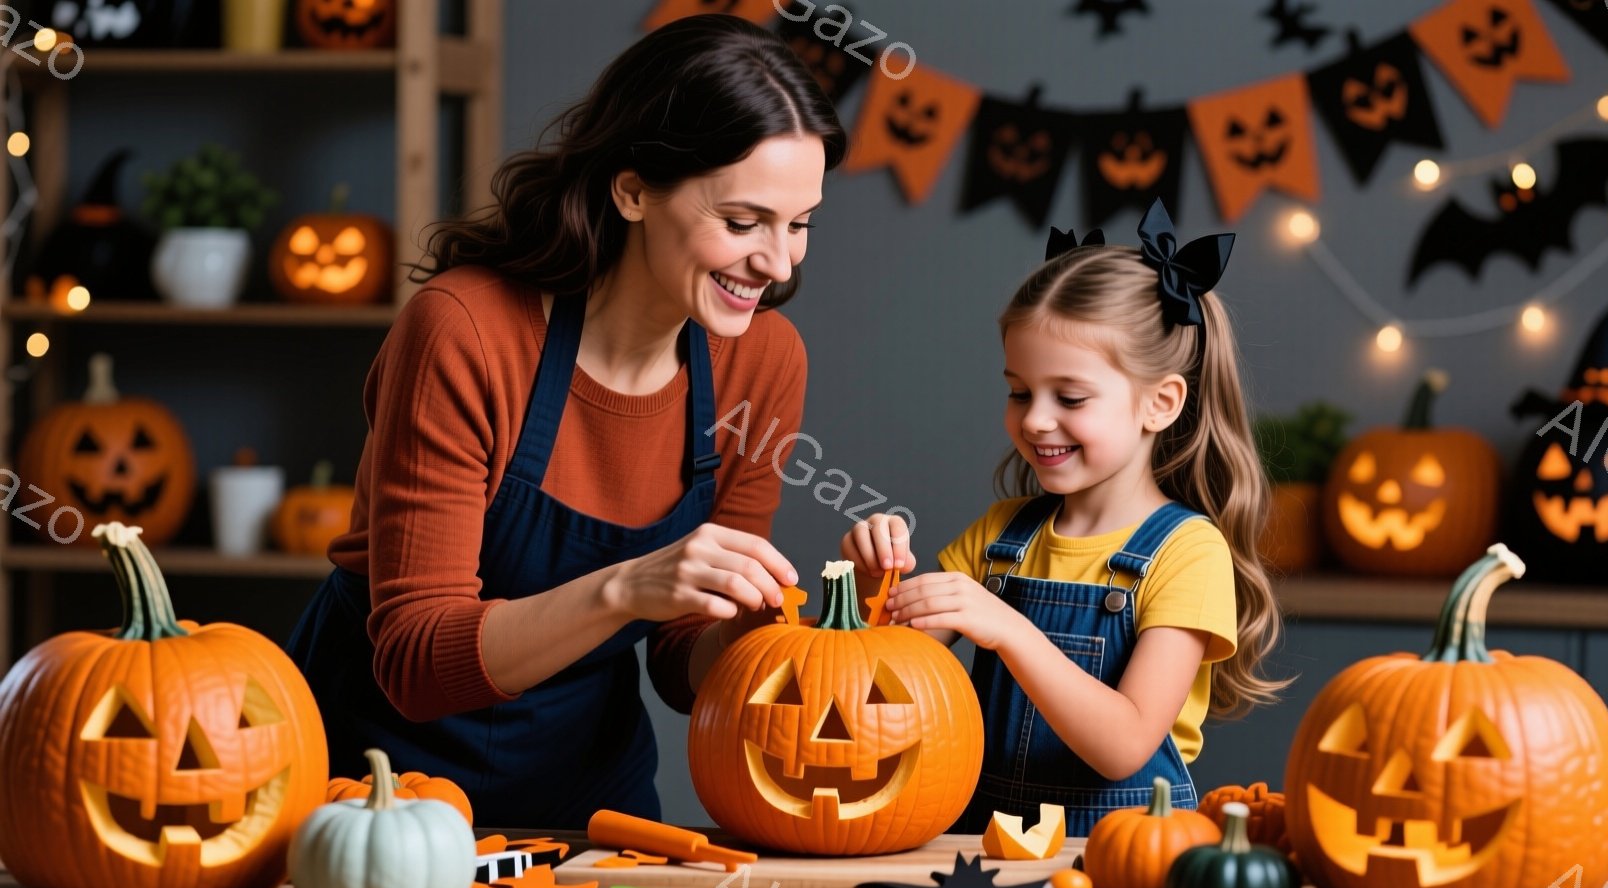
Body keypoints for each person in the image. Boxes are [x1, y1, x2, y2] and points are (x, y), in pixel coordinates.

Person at [284, 15, 845, 829]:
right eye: (742, 221)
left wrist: (786, 628)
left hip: (590, 803)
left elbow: (684, 669)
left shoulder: (763, 362)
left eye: (800, 225)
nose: (780, 262)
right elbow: (415, 661)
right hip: (374, 797)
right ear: (632, 192)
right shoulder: (465, 332)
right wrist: (626, 588)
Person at [841, 200, 1285, 837]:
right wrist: (866, 585)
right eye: (1019, 391)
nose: (1034, 419)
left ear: (1160, 403)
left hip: (1117, 858)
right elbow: (876, 686)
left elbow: (1125, 744)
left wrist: (1009, 630)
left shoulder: (1189, 552)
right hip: (979, 846)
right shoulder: (998, 537)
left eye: (1069, 397)